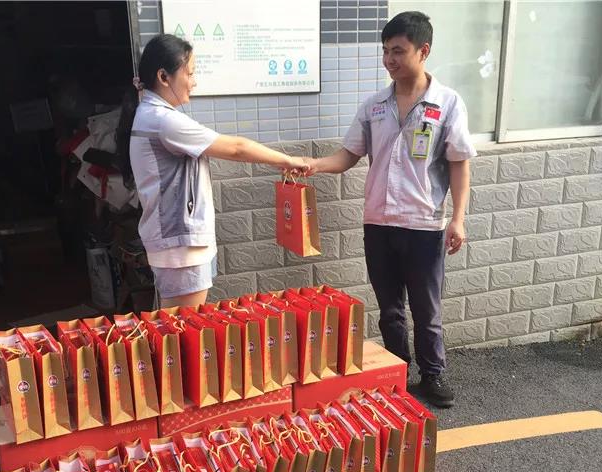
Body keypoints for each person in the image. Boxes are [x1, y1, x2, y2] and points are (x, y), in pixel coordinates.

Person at [303, 11, 476, 408]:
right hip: (378, 223)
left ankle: (432, 375)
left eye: (398, 51)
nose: (389, 60)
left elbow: (459, 163)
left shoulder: (447, 103)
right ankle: (396, 372)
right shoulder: (374, 105)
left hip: (423, 225)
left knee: (426, 309)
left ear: (423, 50)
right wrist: (313, 165)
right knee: (390, 309)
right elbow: (349, 154)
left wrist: (458, 218)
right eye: (385, 51)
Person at [117, 34, 307, 309]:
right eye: (190, 73)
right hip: (180, 245)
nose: (194, 82)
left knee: (180, 326)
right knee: (183, 328)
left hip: (180, 244)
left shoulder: (153, 115)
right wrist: (287, 160)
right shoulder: (163, 120)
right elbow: (236, 148)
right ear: (164, 77)